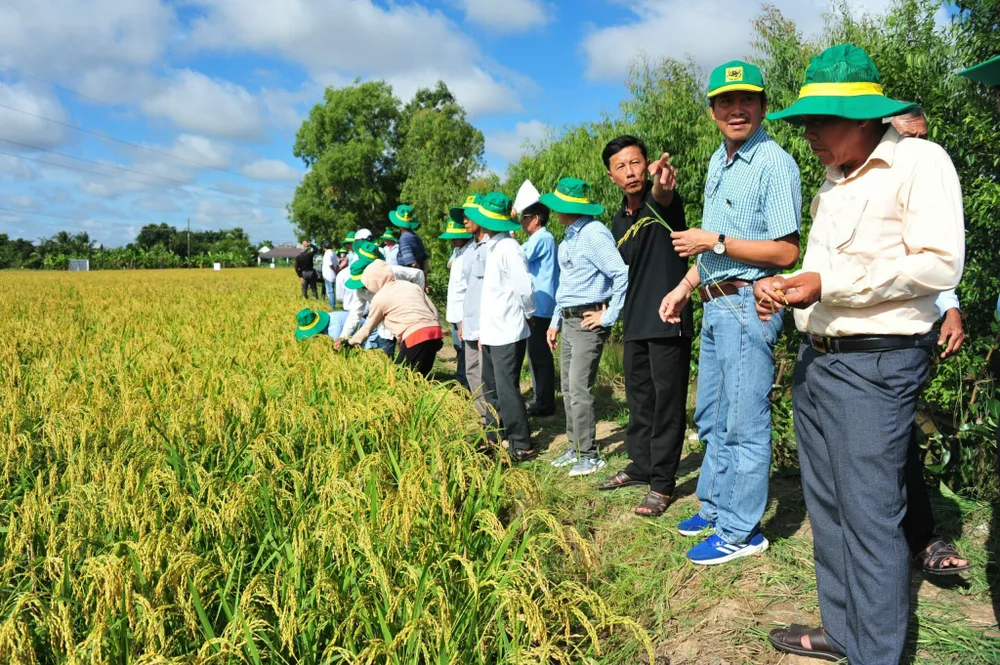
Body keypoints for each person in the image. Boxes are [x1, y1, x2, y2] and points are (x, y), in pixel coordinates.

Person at [759, 44, 964, 665]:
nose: (811, 135)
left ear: (867, 116)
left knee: (871, 519)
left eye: (822, 122)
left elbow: (937, 262)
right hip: (819, 359)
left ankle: (877, 653)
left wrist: (826, 285)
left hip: (876, 366)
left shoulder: (919, 162)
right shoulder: (835, 180)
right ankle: (845, 631)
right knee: (829, 509)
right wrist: (792, 293)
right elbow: (824, 273)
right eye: (805, 124)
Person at [659, 60, 802, 565]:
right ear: (713, 111)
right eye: (725, 101)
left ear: (763, 106)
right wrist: (683, 285)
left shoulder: (774, 163)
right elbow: (712, 251)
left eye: (746, 100)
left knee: (744, 420)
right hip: (717, 301)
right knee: (713, 416)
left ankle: (743, 531)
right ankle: (717, 507)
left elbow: (786, 253)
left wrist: (713, 239)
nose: (735, 109)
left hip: (750, 303)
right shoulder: (720, 163)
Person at [890, 108, 972, 576]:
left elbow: (937, 256)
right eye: (907, 138)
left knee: (899, 437)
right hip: (866, 337)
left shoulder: (931, 178)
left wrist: (952, 307)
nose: (917, 146)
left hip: (912, 334)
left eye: (923, 137)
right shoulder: (868, 181)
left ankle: (921, 539)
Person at [597, 136, 693, 517]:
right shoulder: (619, 219)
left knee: (667, 405)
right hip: (634, 322)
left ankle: (662, 484)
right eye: (621, 166)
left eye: (635, 163)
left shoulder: (662, 203)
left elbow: (663, 193)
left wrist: (662, 185)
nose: (630, 171)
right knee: (639, 402)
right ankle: (641, 465)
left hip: (669, 319)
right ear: (611, 176)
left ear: (647, 164)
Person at [542, 178, 628, 477]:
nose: (553, 212)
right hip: (568, 318)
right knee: (567, 387)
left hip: (587, 321)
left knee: (579, 388)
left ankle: (590, 455)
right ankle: (575, 447)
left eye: (557, 207)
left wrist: (608, 317)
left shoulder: (593, 234)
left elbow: (621, 274)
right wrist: (555, 323)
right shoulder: (569, 238)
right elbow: (566, 287)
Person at [469, 192, 537, 462]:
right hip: (492, 330)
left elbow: (525, 289)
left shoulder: (509, 248)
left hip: (508, 330)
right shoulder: (492, 247)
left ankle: (521, 442)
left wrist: (529, 313)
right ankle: (495, 434)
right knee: (491, 386)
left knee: (507, 388)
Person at [346, 260, 444, 377]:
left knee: (404, 379)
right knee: (421, 375)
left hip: (416, 336)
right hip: (434, 331)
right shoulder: (411, 286)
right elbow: (433, 310)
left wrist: (349, 342)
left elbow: (367, 328)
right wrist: (438, 332)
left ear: (373, 282)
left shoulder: (380, 297)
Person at [515, 180, 559, 418]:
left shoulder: (542, 238)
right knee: (536, 355)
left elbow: (519, 257)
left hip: (541, 305)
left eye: (525, 218)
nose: (522, 222)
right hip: (538, 304)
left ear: (536, 219)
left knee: (540, 355)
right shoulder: (537, 238)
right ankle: (541, 398)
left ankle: (545, 401)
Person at [337, 240, 423, 356]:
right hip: (384, 327)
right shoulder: (360, 291)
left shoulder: (392, 272)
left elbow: (418, 274)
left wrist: (418, 296)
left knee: (408, 356)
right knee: (386, 357)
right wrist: (343, 337)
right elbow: (355, 314)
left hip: (405, 321)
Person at [458, 195, 492, 423]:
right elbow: (467, 287)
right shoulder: (469, 249)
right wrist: (462, 319)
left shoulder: (493, 246)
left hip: (486, 322)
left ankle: (493, 416)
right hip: (469, 320)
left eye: (469, 216)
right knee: (471, 369)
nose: (464, 221)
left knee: (487, 373)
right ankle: (482, 415)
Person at [441, 199, 475, 389]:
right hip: (454, 310)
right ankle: (462, 379)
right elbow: (450, 263)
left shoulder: (470, 252)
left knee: (465, 350)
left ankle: (465, 382)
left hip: (464, 310)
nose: (453, 240)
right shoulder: (458, 250)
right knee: (458, 347)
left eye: (456, 237)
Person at [390, 204, 431, 287]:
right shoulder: (414, 236)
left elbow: (412, 263)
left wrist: (420, 280)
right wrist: (425, 277)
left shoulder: (404, 238)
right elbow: (425, 258)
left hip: (409, 283)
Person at [321, 240, 339, 309]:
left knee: (330, 292)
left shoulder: (327, 253)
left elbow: (330, 264)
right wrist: (336, 271)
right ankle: (332, 305)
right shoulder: (333, 253)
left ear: (323, 247)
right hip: (332, 275)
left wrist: (334, 270)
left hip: (328, 275)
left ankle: (332, 306)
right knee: (331, 291)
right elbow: (337, 264)